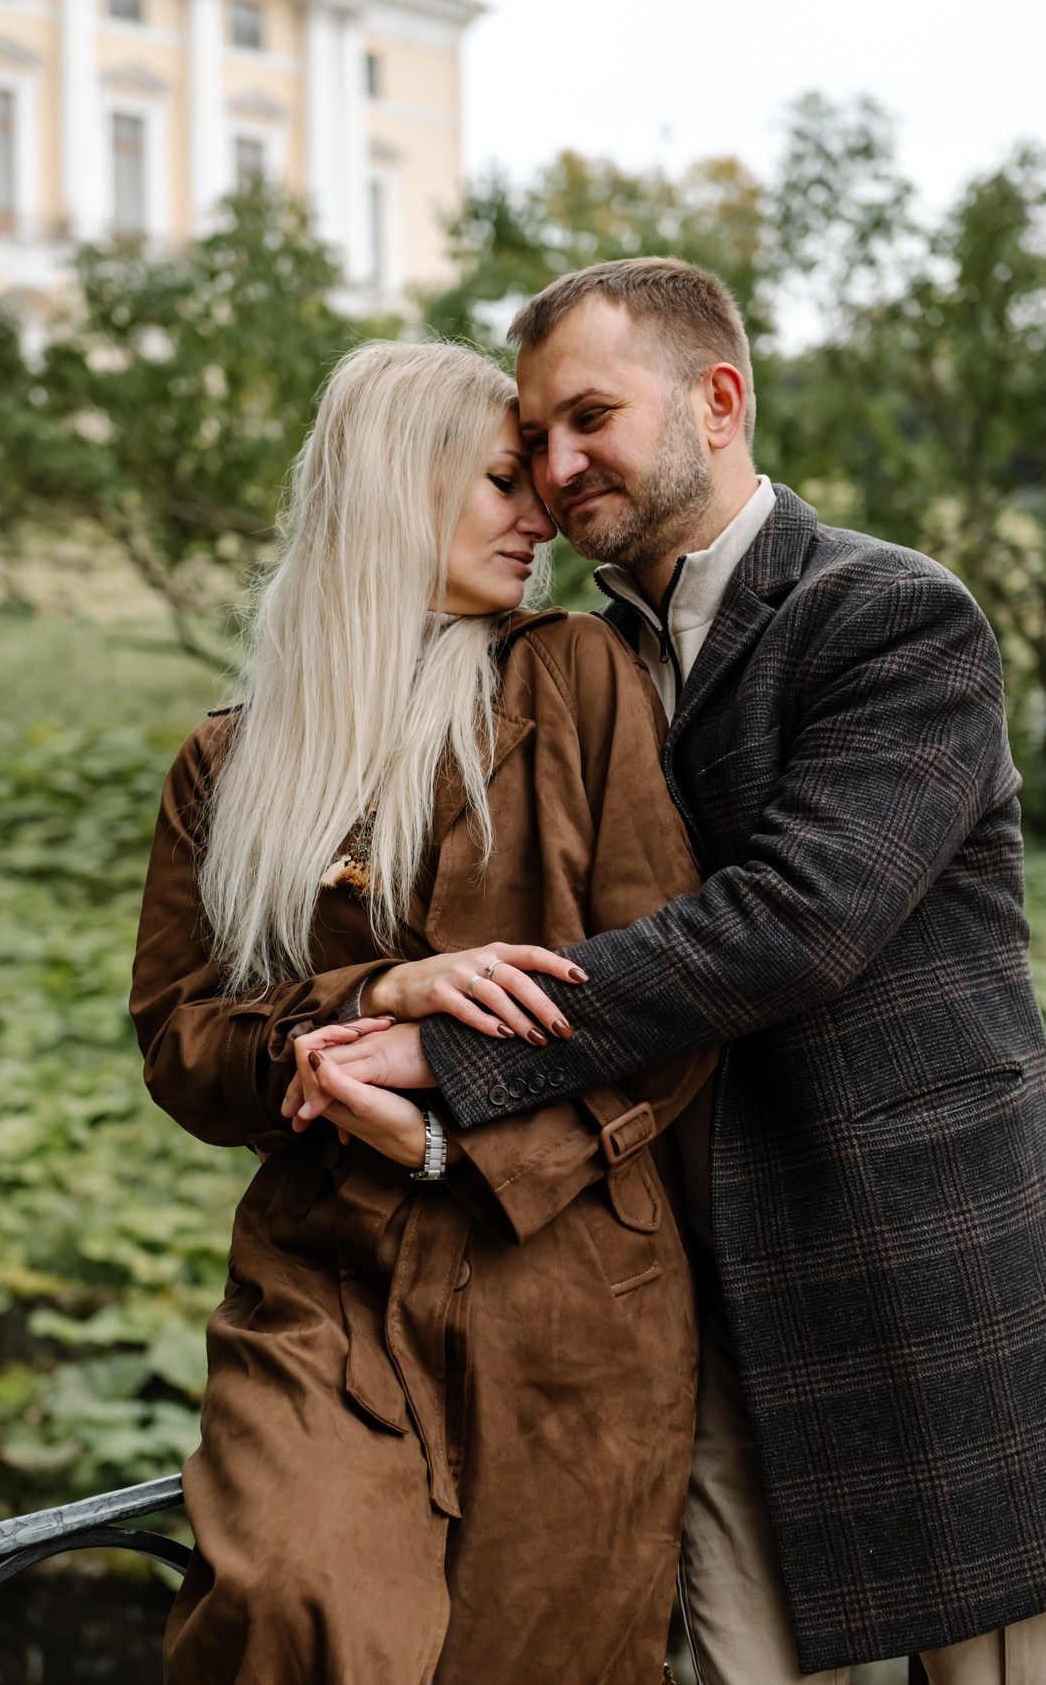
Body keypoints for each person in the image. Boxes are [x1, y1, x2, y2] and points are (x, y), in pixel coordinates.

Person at [289, 260, 1046, 1685]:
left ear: (718, 400)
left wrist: (457, 1049)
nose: (560, 467)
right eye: (535, 438)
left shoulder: (889, 613)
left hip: (906, 1270)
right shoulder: (573, 659)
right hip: (677, 1292)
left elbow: (795, 922)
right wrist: (376, 1004)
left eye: (593, 418)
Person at [130, 338, 716, 1685]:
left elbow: (675, 993)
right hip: (322, 1281)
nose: (542, 518)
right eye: (505, 482)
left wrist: (460, 1141)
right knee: (293, 1601)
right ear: (401, 488)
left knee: (544, 1659)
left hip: (570, 1283)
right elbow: (182, 1042)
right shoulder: (230, 761)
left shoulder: (579, 679)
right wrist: (368, 995)